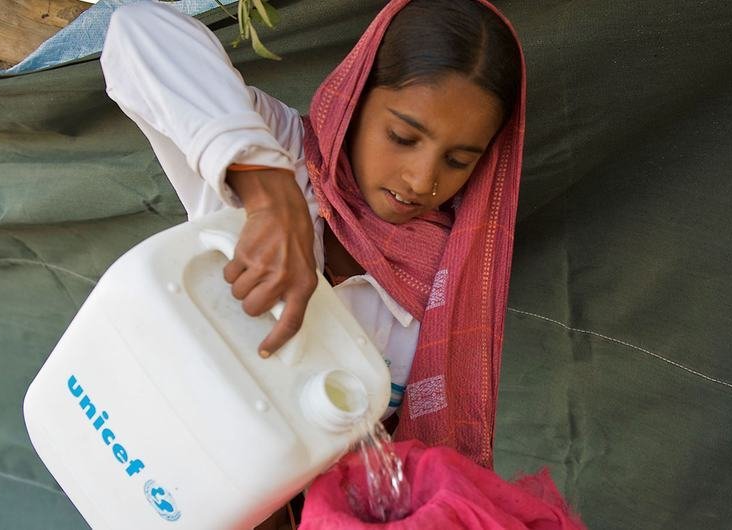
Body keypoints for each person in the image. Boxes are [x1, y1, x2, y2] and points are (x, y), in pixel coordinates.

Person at [101, 0, 523, 488]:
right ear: (357, 95)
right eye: (403, 136)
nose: (422, 179)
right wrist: (271, 196)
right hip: (157, 482)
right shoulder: (277, 151)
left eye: (458, 160)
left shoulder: (452, 283)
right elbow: (136, 30)